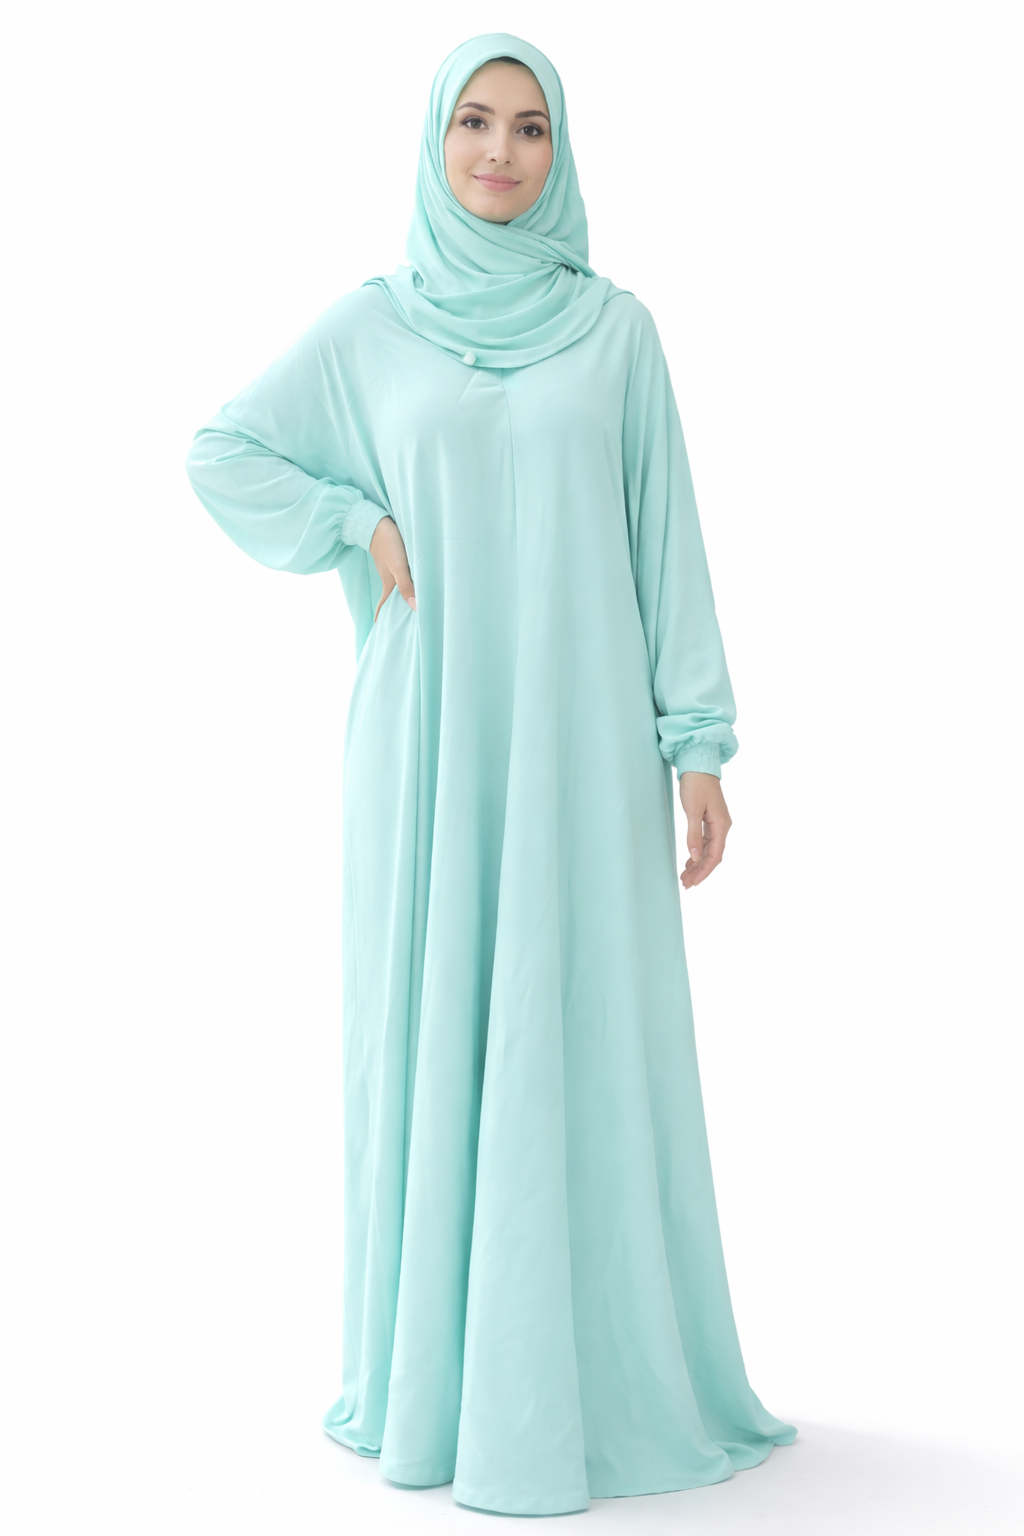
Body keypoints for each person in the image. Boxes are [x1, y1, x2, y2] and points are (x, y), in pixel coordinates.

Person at [186, 32, 795, 1518]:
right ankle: (440, 1385)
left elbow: (666, 540)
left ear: (561, 152)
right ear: (434, 141)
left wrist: (697, 744)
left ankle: (594, 1380)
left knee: (582, 1028)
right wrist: (354, 525)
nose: (500, 154)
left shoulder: (618, 335)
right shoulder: (372, 326)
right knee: (440, 1029)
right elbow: (223, 451)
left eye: (530, 128)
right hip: (429, 752)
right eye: (474, 122)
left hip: (585, 754)